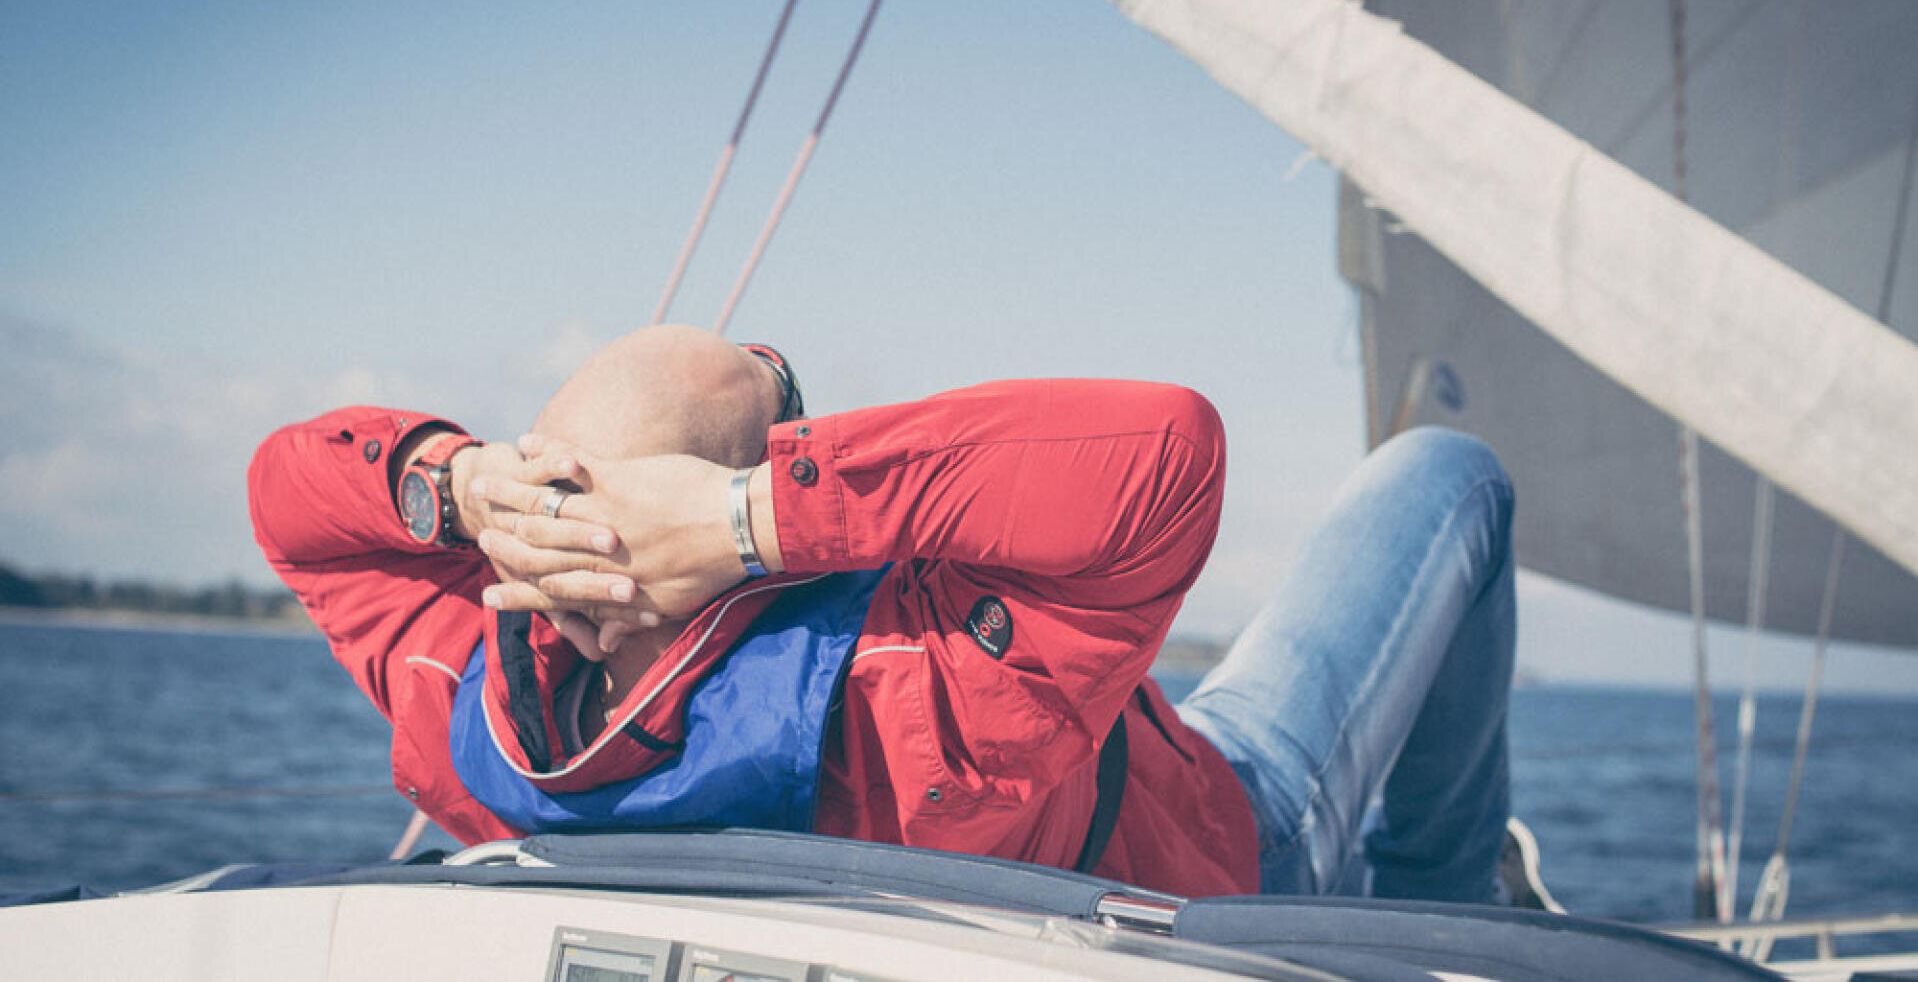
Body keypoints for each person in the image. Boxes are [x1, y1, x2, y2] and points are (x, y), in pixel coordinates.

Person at [248, 324, 1520, 902]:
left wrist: (458, 483)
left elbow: (284, 492)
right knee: (1450, 478)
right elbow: (1165, 457)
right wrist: (759, 519)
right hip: (1238, 834)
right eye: (773, 428)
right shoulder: (919, 707)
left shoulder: (452, 698)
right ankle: (1441, 909)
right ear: (682, 533)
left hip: (1106, 768)